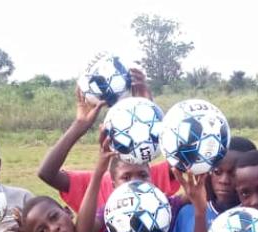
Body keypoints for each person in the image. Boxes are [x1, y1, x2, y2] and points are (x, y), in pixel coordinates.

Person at [37, 68, 179, 211]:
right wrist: (79, 125)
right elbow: (47, 173)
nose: (135, 183)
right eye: (126, 177)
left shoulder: (151, 177)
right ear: (112, 181)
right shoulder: (95, 184)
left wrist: (149, 111)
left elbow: (191, 158)